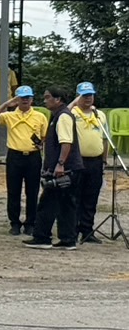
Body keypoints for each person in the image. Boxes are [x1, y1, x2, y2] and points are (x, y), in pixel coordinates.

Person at [24, 86, 83, 250]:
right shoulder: (60, 115)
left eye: (47, 97)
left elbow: (66, 142)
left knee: (48, 202)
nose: (45, 101)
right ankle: (68, 238)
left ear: (58, 99)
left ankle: (42, 237)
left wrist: (60, 164)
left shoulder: (63, 117)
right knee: (66, 204)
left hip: (64, 169)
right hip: (71, 167)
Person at [0, 87, 45, 236]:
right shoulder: (9, 116)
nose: (25, 100)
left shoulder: (40, 116)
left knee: (32, 192)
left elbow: (44, 135)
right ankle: (14, 222)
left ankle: (30, 223)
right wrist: (6, 104)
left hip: (33, 156)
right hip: (15, 156)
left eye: (28, 97)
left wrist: (40, 145)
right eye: (22, 97)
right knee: (13, 191)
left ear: (32, 99)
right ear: (17, 99)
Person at [73, 83, 109, 244]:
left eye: (90, 95)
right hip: (77, 161)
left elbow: (105, 139)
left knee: (91, 197)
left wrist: (104, 160)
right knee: (75, 196)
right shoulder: (72, 113)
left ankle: (87, 230)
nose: (88, 98)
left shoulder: (99, 115)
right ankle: (72, 229)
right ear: (78, 96)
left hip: (95, 161)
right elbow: (60, 116)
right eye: (84, 95)